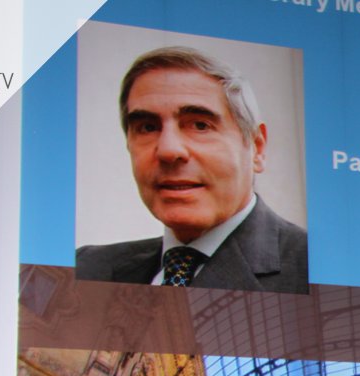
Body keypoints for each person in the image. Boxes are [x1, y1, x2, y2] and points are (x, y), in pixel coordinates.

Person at [76, 46, 308, 293]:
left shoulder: (313, 266)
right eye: (147, 127)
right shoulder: (85, 267)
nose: (168, 150)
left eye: (200, 125)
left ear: (257, 148)